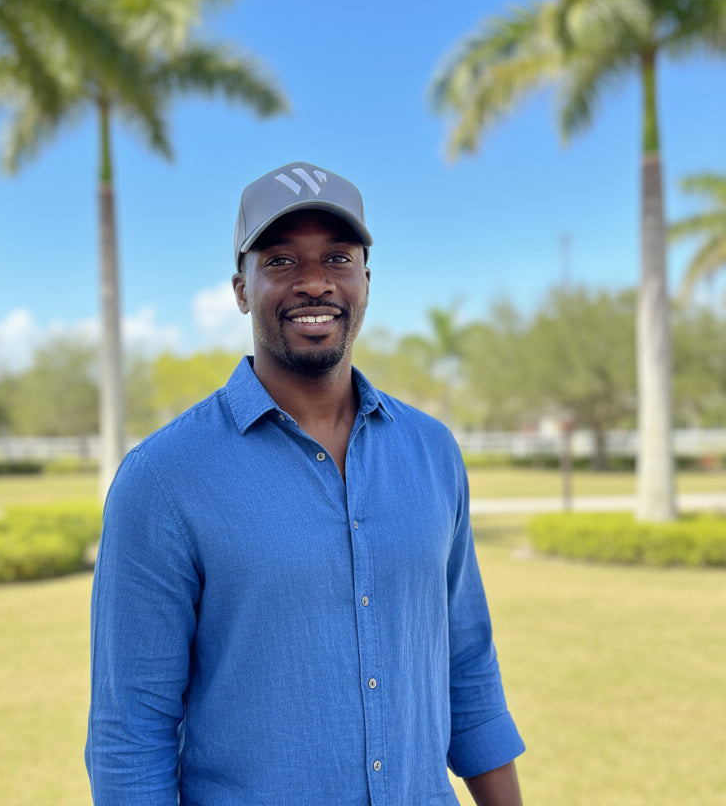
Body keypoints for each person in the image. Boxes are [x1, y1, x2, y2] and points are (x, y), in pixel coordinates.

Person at [85, 161, 525, 805]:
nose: (314, 282)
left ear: (366, 281)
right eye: (282, 261)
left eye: (338, 258)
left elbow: (468, 669)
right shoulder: (163, 478)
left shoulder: (432, 452)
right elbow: (131, 732)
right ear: (241, 288)